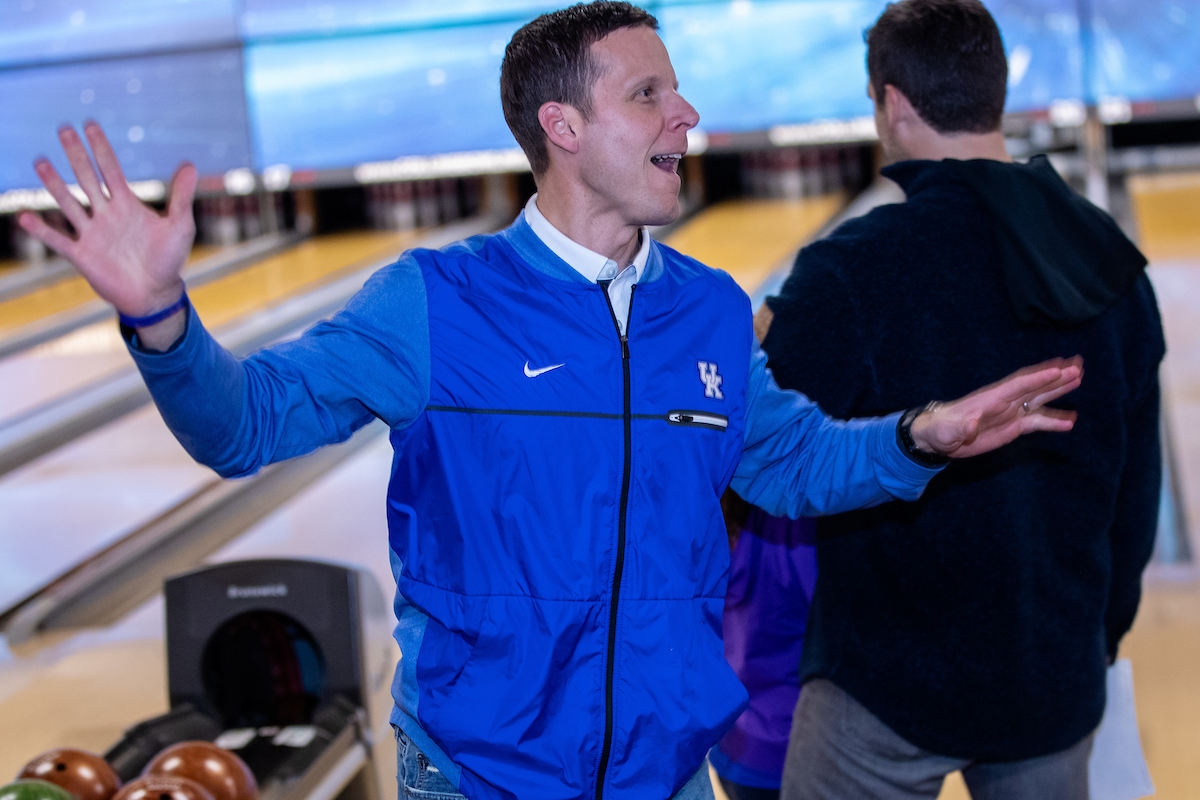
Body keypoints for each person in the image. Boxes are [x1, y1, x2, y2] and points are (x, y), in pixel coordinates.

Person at [19, 3, 1082, 799]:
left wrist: (918, 437)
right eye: (649, 94)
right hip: (478, 770)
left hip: (662, 770)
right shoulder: (435, 306)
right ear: (562, 125)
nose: (688, 113)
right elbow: (242, 424)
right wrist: (161, 319)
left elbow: (790, 460)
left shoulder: (708, 311)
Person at [754, 2, 1165, 798]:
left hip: (882, 686)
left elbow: (755, 446)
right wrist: (1093, 641)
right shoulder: (1115, 264)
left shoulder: (850, 270)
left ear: (893, 104)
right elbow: (1137, 493)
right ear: (996, 93)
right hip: (1051, 675)